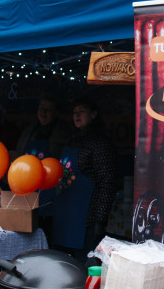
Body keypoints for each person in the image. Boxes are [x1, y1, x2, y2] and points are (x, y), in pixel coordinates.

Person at [50, 95, 118, 259]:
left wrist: (99, 221)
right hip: (64, 217)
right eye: (75, 112)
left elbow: (107, 182)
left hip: (85, 221)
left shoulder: (99, 143)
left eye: (82, 111)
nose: (77, 115)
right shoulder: (71, 140)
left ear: (93, 114)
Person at [15, 94, 71, 159]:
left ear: (56, 113)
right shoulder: (29, 131)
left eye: (48, 109)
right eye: (41, 108)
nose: (43, 111)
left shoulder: (62, 134)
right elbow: (19, 152)